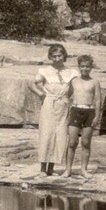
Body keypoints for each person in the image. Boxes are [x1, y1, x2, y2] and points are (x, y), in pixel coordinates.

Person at [29, 44, 78, 176]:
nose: (57, 59)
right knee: (46, 134)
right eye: (54, 56)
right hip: (49, 104)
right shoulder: (45, 71)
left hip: (63, 105)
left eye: (60, 56)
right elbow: (31, 83)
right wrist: (41, 94)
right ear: (50, 57)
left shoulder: (72, 72)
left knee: (60, 135)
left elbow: (75, 88)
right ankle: (43, 169)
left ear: (64, 56)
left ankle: (51, 168)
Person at [61, 55, 103, 178]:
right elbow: (66, 96)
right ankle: (68, 169)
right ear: (79, 66)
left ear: (91, 67)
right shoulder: (74, 81)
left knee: (85, 142)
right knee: (72, 142)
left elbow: (98, 100)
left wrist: (97, 116)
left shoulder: (94, 82)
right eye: (82, 66)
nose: (85, 69)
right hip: (75, 110)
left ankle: (83, 169)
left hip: (89, 112)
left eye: (87, 66)